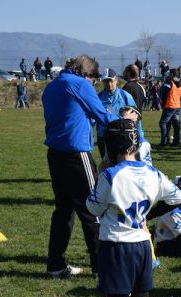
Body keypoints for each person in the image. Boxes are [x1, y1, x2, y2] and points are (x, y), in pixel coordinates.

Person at [86, 119, 181, 297]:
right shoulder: (154, 173)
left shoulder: (110, 175)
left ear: (109, 146)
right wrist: (146, 214)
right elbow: (179, 198)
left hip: (117, 244)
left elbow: (93, 208)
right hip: (143, 244)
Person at [41, 55, 137, 278]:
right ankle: (100, 267)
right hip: (76, 153)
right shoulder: (80, 84)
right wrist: (126, 121)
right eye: (94, 79)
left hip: (55, 153)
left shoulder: (53, 85)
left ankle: (55, 264)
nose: (94, 84)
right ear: (86, 74)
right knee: (93, 207)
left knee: (63, 210)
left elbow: (71, 116)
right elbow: (102, 115)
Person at [97, 68, 139, 158]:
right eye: (106, 81)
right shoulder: (98, 98)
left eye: (111, 81)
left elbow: (136, 117)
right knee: (106, 166)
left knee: (122, 165)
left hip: (123, 137)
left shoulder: (125, 96)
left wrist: (141, 137)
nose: (109, 84)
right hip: (104, 138)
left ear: (116, 80)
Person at [158, 69, 181, 146]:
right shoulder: (180, 84)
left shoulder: (169, 83)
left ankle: (164, 141)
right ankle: (177, 141)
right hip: (177, 106)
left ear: (172, 75)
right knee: (176, 125)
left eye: (169, 74)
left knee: (162, 123)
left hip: (170, 105)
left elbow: (161, 93)